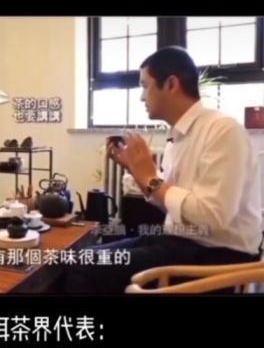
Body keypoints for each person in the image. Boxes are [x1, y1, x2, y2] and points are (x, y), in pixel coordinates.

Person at [66, 46, 263, 293]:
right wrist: (137, 171)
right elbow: (173, 207)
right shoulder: (176, 139)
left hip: (216, 255)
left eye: (144, 85)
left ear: (171, 84)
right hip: (178, 242)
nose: (141, 97)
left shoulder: (223, 130)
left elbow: (213, 218)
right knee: (77, 257)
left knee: (84, 268)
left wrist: (150, 178)